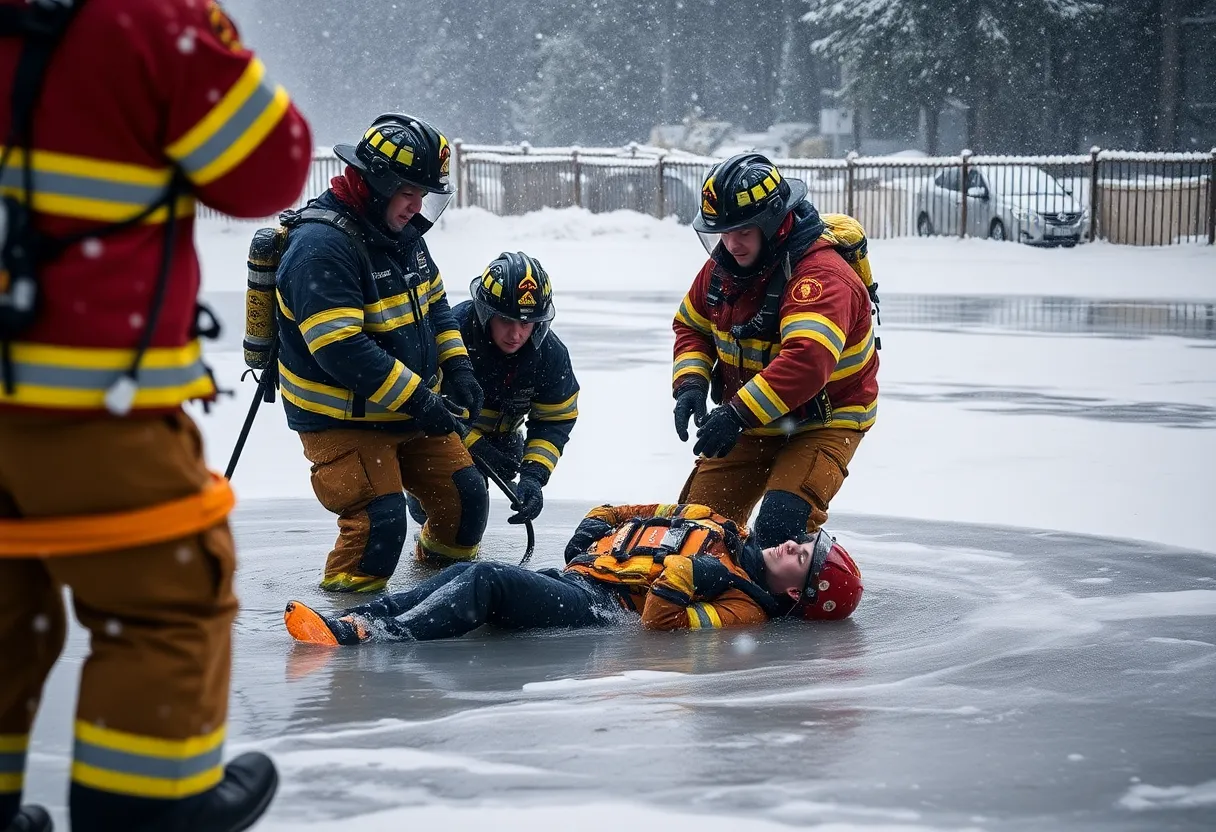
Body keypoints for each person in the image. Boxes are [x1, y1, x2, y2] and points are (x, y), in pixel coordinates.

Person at [0, 1, 311, 830]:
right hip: (90, 406)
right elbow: (269, 168)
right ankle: (144, 808)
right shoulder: (142, 22)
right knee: (164, 604)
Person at [275, 113, 489, 592]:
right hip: (343, 420)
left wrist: (459, 369)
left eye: (425, 194)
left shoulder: (403, 236)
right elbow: (341, 349)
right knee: (381, 525)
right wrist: (420, 400)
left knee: (465, 501)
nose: (417, 206)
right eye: (409, 192)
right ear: (375, 183)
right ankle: (346, 627)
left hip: (411, 409)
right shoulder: (320, 248)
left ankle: (441, 594)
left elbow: (435, 307)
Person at [282, 502, 863, 645]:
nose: (792, 542)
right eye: (805, 541)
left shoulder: (748, 610)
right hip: (582, 578)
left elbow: (658, 626)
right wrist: (596, 524)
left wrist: (692, 575)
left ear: (796, 590)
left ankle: (375, 635)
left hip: (600, 613)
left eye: (803, 556)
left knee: (487, 582)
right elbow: (634, 513)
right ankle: (353, 619)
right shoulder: (717, 523)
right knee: (477, 571)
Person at [672, 153, 879, 548]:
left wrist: (734, 414)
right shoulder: (724, 267)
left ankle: (799, 598)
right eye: (722, 232)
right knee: (694, 533)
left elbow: (806, 362)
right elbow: (691, 325)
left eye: (743, 231)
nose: (730, 244)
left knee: (781, 532)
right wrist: (690, 385)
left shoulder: (821, 278)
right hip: (754, 417)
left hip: (824, 419)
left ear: (774, 222)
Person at [407, 251, 578, 528]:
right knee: (454, 498)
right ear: (486, 313)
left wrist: (534, 475)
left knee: (474, 504)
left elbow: (555, 419)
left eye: (525, 323)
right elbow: (427, 407)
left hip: (503, 438)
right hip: (437, 433)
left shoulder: (551, 354)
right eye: (506, 321)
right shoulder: (452, 334)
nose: (516, 335)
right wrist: (475, 447)